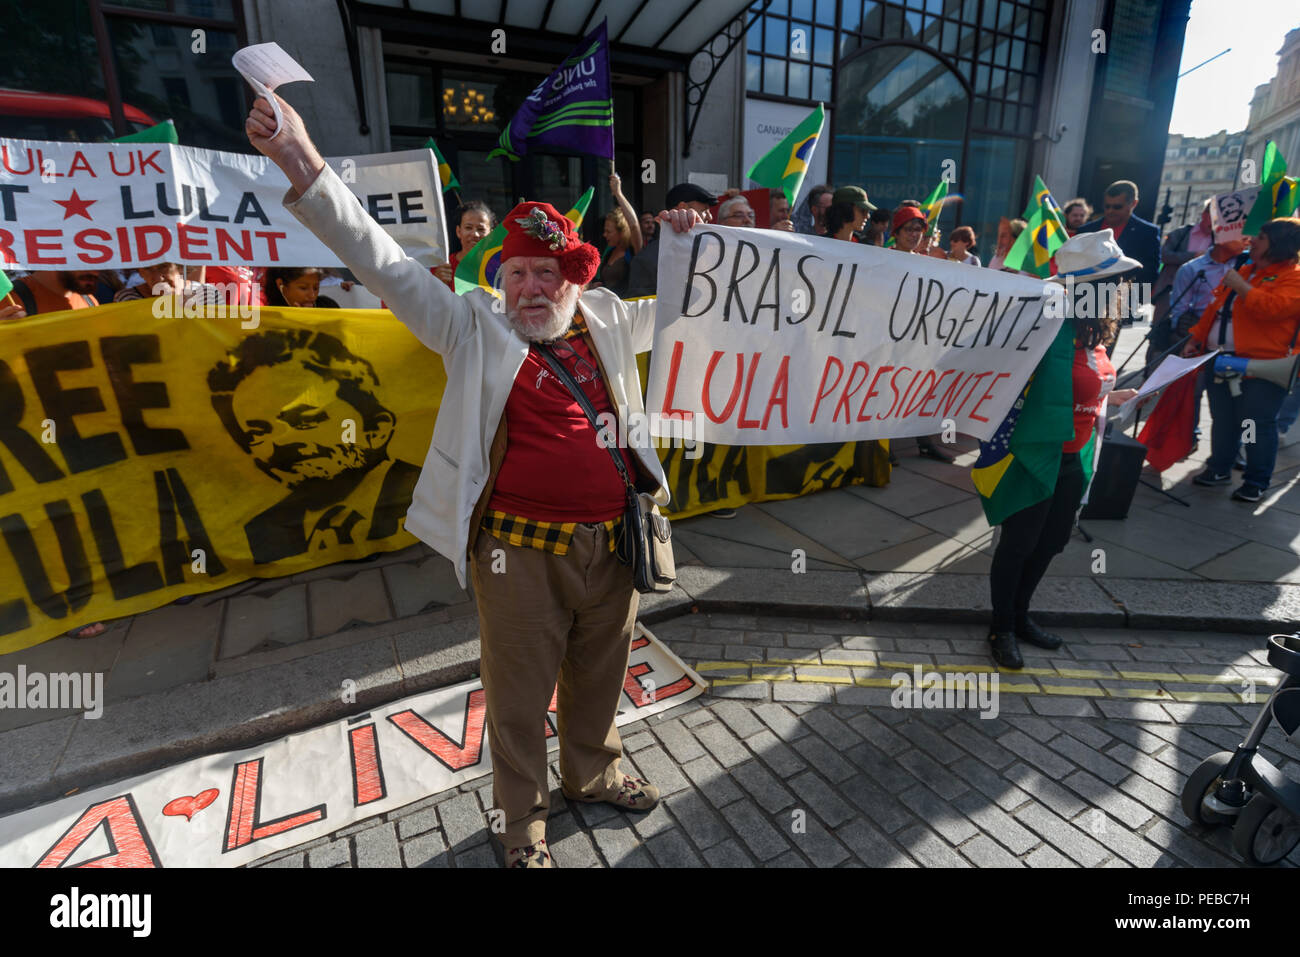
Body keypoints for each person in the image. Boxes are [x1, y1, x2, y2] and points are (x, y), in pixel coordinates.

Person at [247, 90, 709, 869]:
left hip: (615, 544)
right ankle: (522, 823)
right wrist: (302, 161)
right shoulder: (469, 325)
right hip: (517, 556)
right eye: (517, 272)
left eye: (546, 273)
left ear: (573, 277)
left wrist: (705, 244)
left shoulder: (605, 315)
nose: (530, 287)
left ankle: (593, 773)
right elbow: (383, 261)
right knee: (520, 701)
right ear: (500, 280)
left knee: (601, 677)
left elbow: (697, 313)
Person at [986, 231, 1141, 669]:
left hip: (1074, 456)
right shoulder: (1044, 326)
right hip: (1037, 453)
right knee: (1019, 543)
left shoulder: (1094, 331)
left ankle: (1019, 617)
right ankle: (1000, 627)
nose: (1120, 291)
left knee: (1051, 542)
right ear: (1087, 288)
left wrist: (1115, 394)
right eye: (1112, 282)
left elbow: (1086, 385)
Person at [209, 329, 421, 563]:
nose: (280, 443)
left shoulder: (434, 497)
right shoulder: (261, 531)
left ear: (376, 430)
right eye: (257, 433)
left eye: (304, 421)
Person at [1183, 217, 1300, 502]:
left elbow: (1271, 309)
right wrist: (1196, 337)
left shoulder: (1294, 276)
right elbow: (1215, 309)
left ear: (1279, 244)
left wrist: (1241, 286)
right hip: (1221, 358)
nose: (1252, 240)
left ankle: (1256, 481)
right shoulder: (1246, 270)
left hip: (1262, 366)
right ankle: (1219, 468)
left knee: (1255, 423)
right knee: (1224, 419)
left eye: (1261, 236)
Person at [890, 201, 956, 462]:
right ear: (896, 232)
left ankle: (924, 441)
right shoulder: (880, 258)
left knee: (918, 391)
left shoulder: (926, 263)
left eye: (919, 229)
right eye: (909, 229)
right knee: (884, 389)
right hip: (889, 337)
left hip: (917, 337)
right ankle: (880, 446)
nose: (914, 234)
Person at [626, 181, 714, 297]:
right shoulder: (648, 259)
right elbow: (642, 311)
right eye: (704, 210)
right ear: (683, 208)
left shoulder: (713, 251)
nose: (710, 217)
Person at [1075, 180, 1161, 288]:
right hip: (1086, 296)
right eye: (1107, 206)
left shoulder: (1148, 233)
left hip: (1126, 298)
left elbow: (1149, 273)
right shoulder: (1086, 231)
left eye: (1117, 207)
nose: (1110, 211)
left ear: (1133, 203)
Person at [1150, 200, 1214, 335]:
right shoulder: (1181, 233)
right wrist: (1193, 256)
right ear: (1204, 214)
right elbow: (1165, 255)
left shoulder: (1217, 241)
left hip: (1199, 296)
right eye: (1213, 217)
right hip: (1170, 291)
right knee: (1160, 333)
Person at [433, 200, 496, 291]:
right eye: (468, 228)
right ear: (458, 232)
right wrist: (436, 283)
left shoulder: (501, 269)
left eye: (480, 229)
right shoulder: (443, 269)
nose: (475, 234)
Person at [113, 260, 226, 306]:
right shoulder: (127, 298)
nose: (158, 277)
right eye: (148, 268)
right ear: (140, 273)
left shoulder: (207, 294)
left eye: (163, 267)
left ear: (180, 267)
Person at [265, 267, 339, 308]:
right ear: (281, 285)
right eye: (303, 288)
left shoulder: (328, 306)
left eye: (316, 288)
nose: (312, 295)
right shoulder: (272, 316)